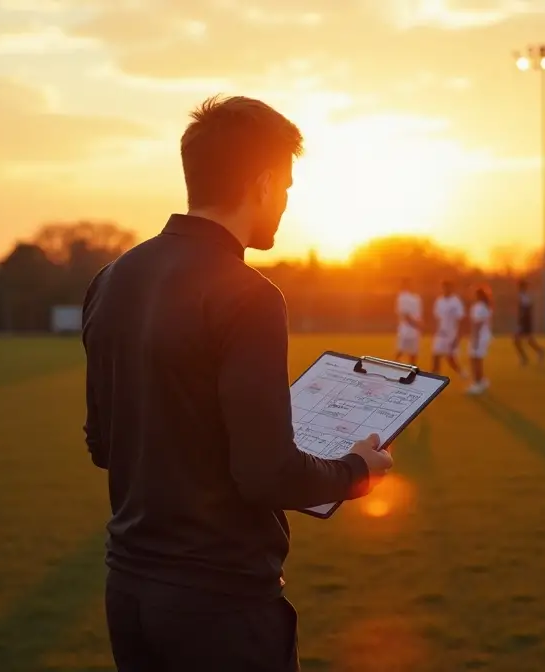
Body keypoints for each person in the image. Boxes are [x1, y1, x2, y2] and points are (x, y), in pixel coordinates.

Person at [81, 95, 394, 672]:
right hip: (218, 606)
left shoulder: (110, 278)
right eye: (289, 187)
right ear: (265, 182)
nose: (286, 203)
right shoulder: (247, 294)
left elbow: (104, 445)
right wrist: (356, 471)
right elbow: (266, 473)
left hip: (127, 590)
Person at [431, 280, 465, 376]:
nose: (445, 289)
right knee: (436, 356)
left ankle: (463, 374)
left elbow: (460, 320)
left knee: (450, 358)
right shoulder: (439, 301)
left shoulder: (456, 301)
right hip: (440, 334)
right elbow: (437, 318)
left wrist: (458, 337)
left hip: (452, 334)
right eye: (444, 287)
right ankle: (434, 379)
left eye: (447, 287)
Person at [467, 285, 494, 395]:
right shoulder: (485, 306)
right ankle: (482, 381)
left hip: (479, 336)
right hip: (485, 335)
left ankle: (477, 383)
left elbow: (477, 324)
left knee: (474, 359)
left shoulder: (479, 307)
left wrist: (475, 338)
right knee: (477, 359)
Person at [513, 279, 545, 366]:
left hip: (524, 322)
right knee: (528, 340)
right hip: (524, 322)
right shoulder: (522, 296)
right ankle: (539, 352)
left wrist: (521, 323)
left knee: (516, 340)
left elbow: (526, 310)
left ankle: (524, 359)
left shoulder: (524, 297)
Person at [394, 277, 422, 364]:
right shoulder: (402, 297)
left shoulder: (416, 297)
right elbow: (405, 315)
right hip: (405, 329)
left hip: (415, 330)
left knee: (413, 354)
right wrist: (417, 324)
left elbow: (418, 313)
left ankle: (412, 374)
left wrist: (419, 324)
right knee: (400, 352)